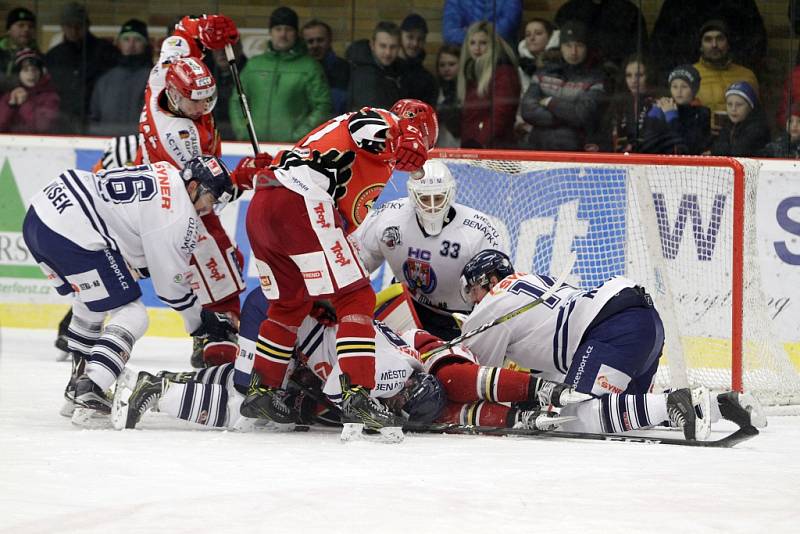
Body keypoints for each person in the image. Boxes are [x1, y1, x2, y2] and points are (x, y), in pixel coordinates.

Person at [242, 98, 437, 441]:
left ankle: (262, 391)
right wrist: (405, 132)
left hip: (263, 207)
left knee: (290, 304)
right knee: (357, 295)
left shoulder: (368, 153)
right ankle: (357, 395)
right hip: (299, 201)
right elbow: (365, 125)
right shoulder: (385, 122)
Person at [455, 249, 764, 439]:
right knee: (627, 414)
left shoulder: (490, 306)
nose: (472, 302)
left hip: (614, 329)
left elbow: (478, 379)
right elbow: (550, 373)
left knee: (572, 417)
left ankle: (677, 400)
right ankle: (718, 404)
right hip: (644, 322)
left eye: (472, 292)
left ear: (489, 281)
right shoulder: (536, 282)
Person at [22, 155, 237, 427]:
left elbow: (133, 235)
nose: (212, 208)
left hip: (41, 213)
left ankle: (78, 382)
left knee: (89, 301)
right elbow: (171, 287)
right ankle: (92, 385)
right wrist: (200, 323)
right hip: (73, 226)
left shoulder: (164, 172)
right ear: (194, 186)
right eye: (213, 198)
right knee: (133, 314)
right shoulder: (180, 216)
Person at [113, 287, 447, 439]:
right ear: (410, 387)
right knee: (250, 406)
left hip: (286, 321)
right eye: (401, 404)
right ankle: (157, 391)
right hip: (277, 320)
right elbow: (338, 393)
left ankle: (171, 378)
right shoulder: (396, 371)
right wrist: (373, 418)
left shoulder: (402, 361)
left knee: (261, 382)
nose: (395, 405)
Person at [136, 13, 253, 369]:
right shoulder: (182, 137)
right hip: (177, 200)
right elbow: (214, 187)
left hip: (152, 184)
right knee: (217, 257)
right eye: (196, 103)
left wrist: (206, 28)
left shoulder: (163, 74)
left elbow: (182, 33)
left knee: (149, 261)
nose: (204, 108)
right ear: (175, 96)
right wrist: (248, 176)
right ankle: (215, 333)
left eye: (208, 98)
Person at [353, 160, 505, 340]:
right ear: (412, 194)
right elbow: (357, 263)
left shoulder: (480, 230)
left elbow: (495, 294)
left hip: (456, 319)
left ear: (450, 194)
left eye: (439, 197)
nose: (432, 206)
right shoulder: (389, 217)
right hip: (406, 305)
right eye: (425, 198)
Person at [230, 6, 331, 142]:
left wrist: (299, 136)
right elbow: (237, 100)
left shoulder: (310, 67)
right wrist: (243, 131)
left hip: (292, 148)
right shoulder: (254, 65)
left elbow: (322, 106)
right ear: (270, 32)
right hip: (253, 146)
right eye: (278, 29)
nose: (283, 34)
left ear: (296, 33)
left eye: (288, 29)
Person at [520, 20, 605, 151]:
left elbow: (581, 115)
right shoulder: (544, 71)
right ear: (561, 47)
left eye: (579, 45)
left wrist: (549, 102)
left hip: (573, 149)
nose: (573, 52)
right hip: (536, 146)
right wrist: (568, 118)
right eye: (568, 45)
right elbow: (527, 110)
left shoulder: (595, 78)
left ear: (587, 48)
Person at [44, 2, 119, 132]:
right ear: (62, 27)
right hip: (63, 121)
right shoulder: (53, 56)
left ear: (87, 26)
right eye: (69, 26)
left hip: (96, 120)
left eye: (78, 26)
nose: (74, 30)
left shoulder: (105, 52)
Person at [650, 0, 767, 81]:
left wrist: (733, 70)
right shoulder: (676, 4)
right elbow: (660, 46)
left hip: (732, 82)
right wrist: (679, 77)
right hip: (686, 83)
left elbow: (755, 43)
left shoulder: (740, 4)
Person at [457, 21, 520, 149]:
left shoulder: (503, 72)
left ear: (493, 45)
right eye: (472, 43)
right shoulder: (470, 72)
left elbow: (501, 114)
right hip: (474, 146)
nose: (477, 48)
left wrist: (480, 141)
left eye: (483, 43)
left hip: (492, 149)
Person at [88, 19, 152, 136]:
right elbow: (93, 118)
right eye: (126, 39)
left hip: (141, 146)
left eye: (137, 40)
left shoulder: (154, 78)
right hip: (107, 145)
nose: (131, 45)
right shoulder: (105, 80)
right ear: (119, 43)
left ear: (145, 44)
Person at [692, 19, 759, 128]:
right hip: (703, 140)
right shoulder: (689, 76)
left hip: (739, 139)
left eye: (720, 39)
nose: (714, 45)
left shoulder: (747, 76)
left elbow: (757, 117)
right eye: (708, 40)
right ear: (701, 46)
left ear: (728, 44)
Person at [638, 64, 711, 155]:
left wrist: (672, 117)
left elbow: (687, 148)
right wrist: (653, 116)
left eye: (684, 86)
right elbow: (646, 146)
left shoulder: (702, 113)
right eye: (674, 87)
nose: (679, 91)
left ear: (694, 89)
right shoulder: (665, 108)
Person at [554, 0, 648, 69]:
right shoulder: (569, 10)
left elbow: (639, 49)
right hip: (574, 72)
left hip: (619, 72)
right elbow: (555, 45)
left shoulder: (629, 11)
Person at [603, 54, 657, 152]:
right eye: (629, 75)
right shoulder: (618, 103)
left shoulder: (659, 103)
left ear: (649, 76)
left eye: (639, 75)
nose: (633, 80)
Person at [346, 21, 404, 110]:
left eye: (393, 47)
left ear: (399, 47)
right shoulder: (364, 74)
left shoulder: (397, 69)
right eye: (383, 46)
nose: (388, 52)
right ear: (372, 45)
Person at [0, 48, 59, 133]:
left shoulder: (50, 97)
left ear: (41, 73)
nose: (31, 74)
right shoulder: (9, 96)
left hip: (37, 145)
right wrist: (11, 105)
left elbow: (41, 127)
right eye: (25, 70)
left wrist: (25, 102)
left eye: (34, 70)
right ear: (18, 74)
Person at [301, 19, 349, 116]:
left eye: (320, 40)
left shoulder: (345, 69)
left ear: (329, 40)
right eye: (310, 41)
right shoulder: (297, 70)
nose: (315, 45)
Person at [711, 81, 770, 157]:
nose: (733, 109)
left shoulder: (758, 128)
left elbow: (739, 152)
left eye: (739, 105)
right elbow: (717, 149)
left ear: (750, 107)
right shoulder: (728, 125)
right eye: (729, 104)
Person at [442, 0, 522, 47]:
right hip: (464, 60)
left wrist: (470, 32)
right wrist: (478, 40)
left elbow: (507, 28)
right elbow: (449, 33)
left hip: (500, 59)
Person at [397, 13, 436, 106]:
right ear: (400, 36)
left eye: (420, 39)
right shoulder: (388, 70)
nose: (415, 43)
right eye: (410, 37)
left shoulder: (428, 80)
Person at [0, 6, 38, 93]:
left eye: (30, 26)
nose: (26, 29)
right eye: (21, 25)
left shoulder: (39, 57)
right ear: (8, 30)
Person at [434, 44, 461, 148]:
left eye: (451, 64)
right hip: (439, 146)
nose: (446, 69)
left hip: (462, 148)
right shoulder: (434, 89)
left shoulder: (467, 90)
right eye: (442, 65)